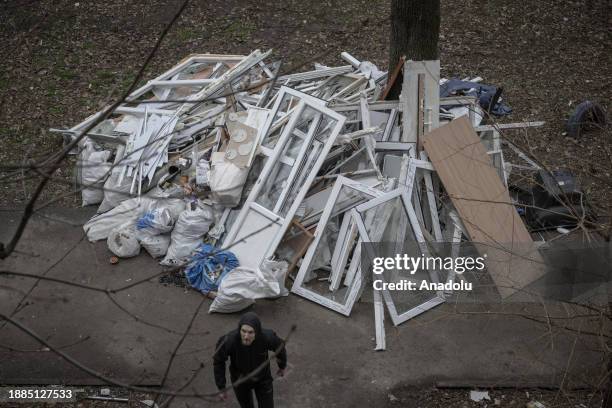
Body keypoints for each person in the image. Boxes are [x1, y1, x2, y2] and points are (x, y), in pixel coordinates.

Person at [213, 312, 287, 408]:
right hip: (240, 380)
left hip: (262, 379)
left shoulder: (267, 337)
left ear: (257, 332)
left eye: (250, 332)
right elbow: (219, 361)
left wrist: (282, 366)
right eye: (243, 331)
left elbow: (280, 348)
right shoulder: (229, 340)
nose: (246, 336)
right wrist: (221, 387)